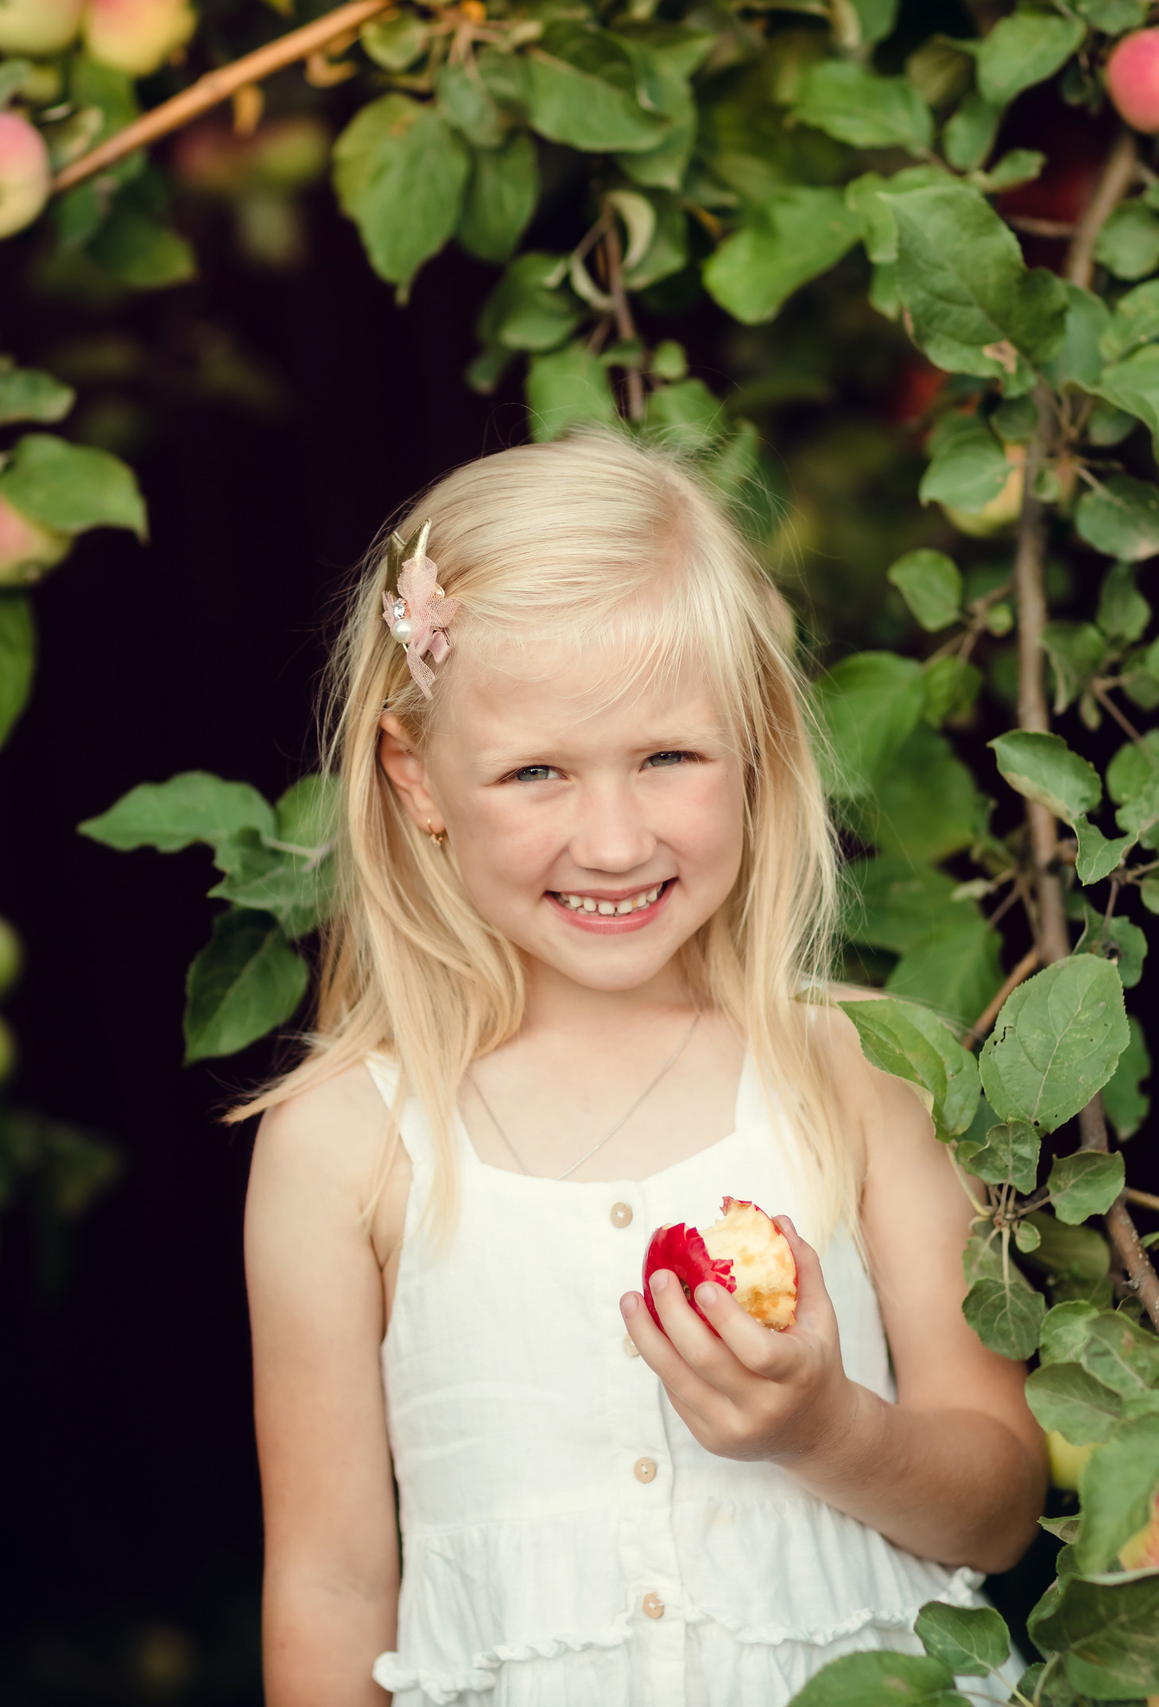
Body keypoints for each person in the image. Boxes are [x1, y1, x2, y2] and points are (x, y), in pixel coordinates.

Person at [240, 432, 1044, 1706]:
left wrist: (825, 1431)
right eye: (536, 772)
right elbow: (331, 1589)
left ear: (755, 747)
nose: (612, 841)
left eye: (668, 757)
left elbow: (997, 1508)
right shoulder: (344, 1144)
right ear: (418, 777)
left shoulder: (862, 1068)